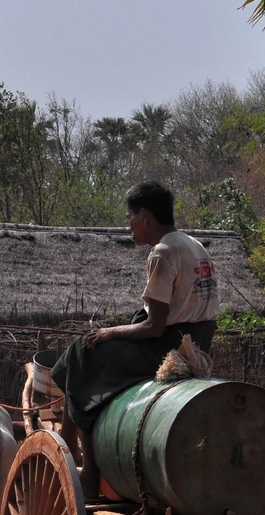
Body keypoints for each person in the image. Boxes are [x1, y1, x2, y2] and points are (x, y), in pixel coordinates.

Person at [51, 180, 220, 491]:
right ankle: (68, 441)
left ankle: (87, 469)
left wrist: (109, 331)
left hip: (167, 351)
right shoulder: (194, 245)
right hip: (198, 345)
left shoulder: (163, 252)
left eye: (129, 218)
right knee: (86, 349)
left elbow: (153, 327)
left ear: (144, 216)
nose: (128, 227)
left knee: (81, 351)